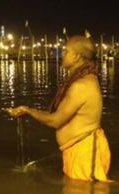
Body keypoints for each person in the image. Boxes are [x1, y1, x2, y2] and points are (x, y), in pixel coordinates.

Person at [7, 35, 112, 182]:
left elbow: (55, 120)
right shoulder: (84, 79)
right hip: (78, 151)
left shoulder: (81, 86)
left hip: (85, 154)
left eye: (66, 51)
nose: (63, 54)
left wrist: (28, 110)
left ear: (76, 57)